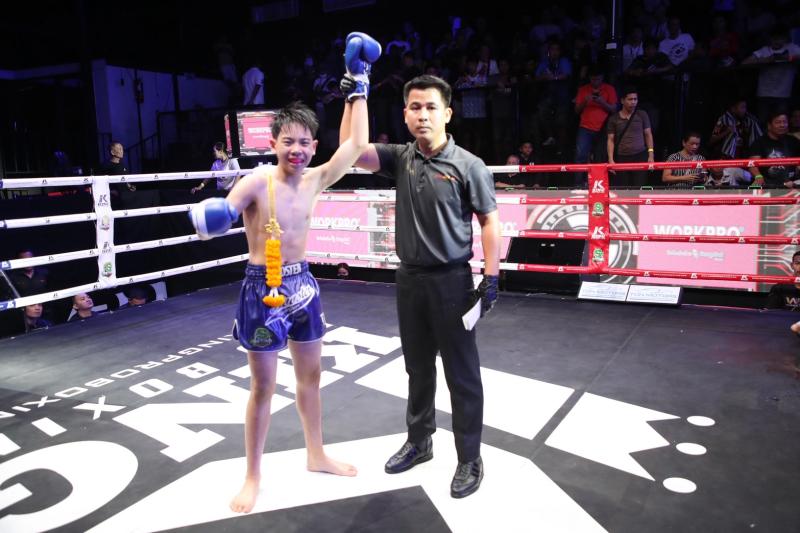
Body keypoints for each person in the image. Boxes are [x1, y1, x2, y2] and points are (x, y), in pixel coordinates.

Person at [189, 31, 380, 514]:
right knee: (263, 387)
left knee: (312, 377)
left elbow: (356, 143)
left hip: (303, 284)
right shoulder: (256, 180)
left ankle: (316, 453)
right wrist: (213, 218)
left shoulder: (315, 179)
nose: (297, 150)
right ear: (272, 142)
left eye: (304, 142)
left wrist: (358, 82)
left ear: (314, 146)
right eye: (288, 141)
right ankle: (253, 475)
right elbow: (226, 211)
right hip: (262, 288)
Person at [343, 74, 501, 499]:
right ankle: (419, 441)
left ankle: (470, 457)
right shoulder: (401, 157)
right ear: (405, 114)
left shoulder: (469, 165)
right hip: (409, 279)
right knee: (417, 368)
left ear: (447, 113)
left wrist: (491, 277)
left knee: (462, 375)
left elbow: (489, 221)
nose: (423, 115)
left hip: (453, 281)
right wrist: (355, 97)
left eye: (431, 107)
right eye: (415, 107)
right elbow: (351, 149)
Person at [606, 88, 655, 188]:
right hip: (622, 157)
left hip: (640, 156)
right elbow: (610, 140)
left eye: (635, 99)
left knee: (639, 186)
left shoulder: (642, 114)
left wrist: (651, 155)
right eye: (630, 99)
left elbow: (648, 134)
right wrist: (610, 159)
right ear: (622, 101)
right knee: (623, 188)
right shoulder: (614, 119)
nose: (633, 102)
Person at [748, 111, 800, 188]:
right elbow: (752, 165)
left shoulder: (793, 141)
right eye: (778, 122)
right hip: (767, 184)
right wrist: (758, 176)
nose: (782, 125)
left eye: (784, 122)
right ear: (769, 125)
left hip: (791, 183)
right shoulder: (759, 143)